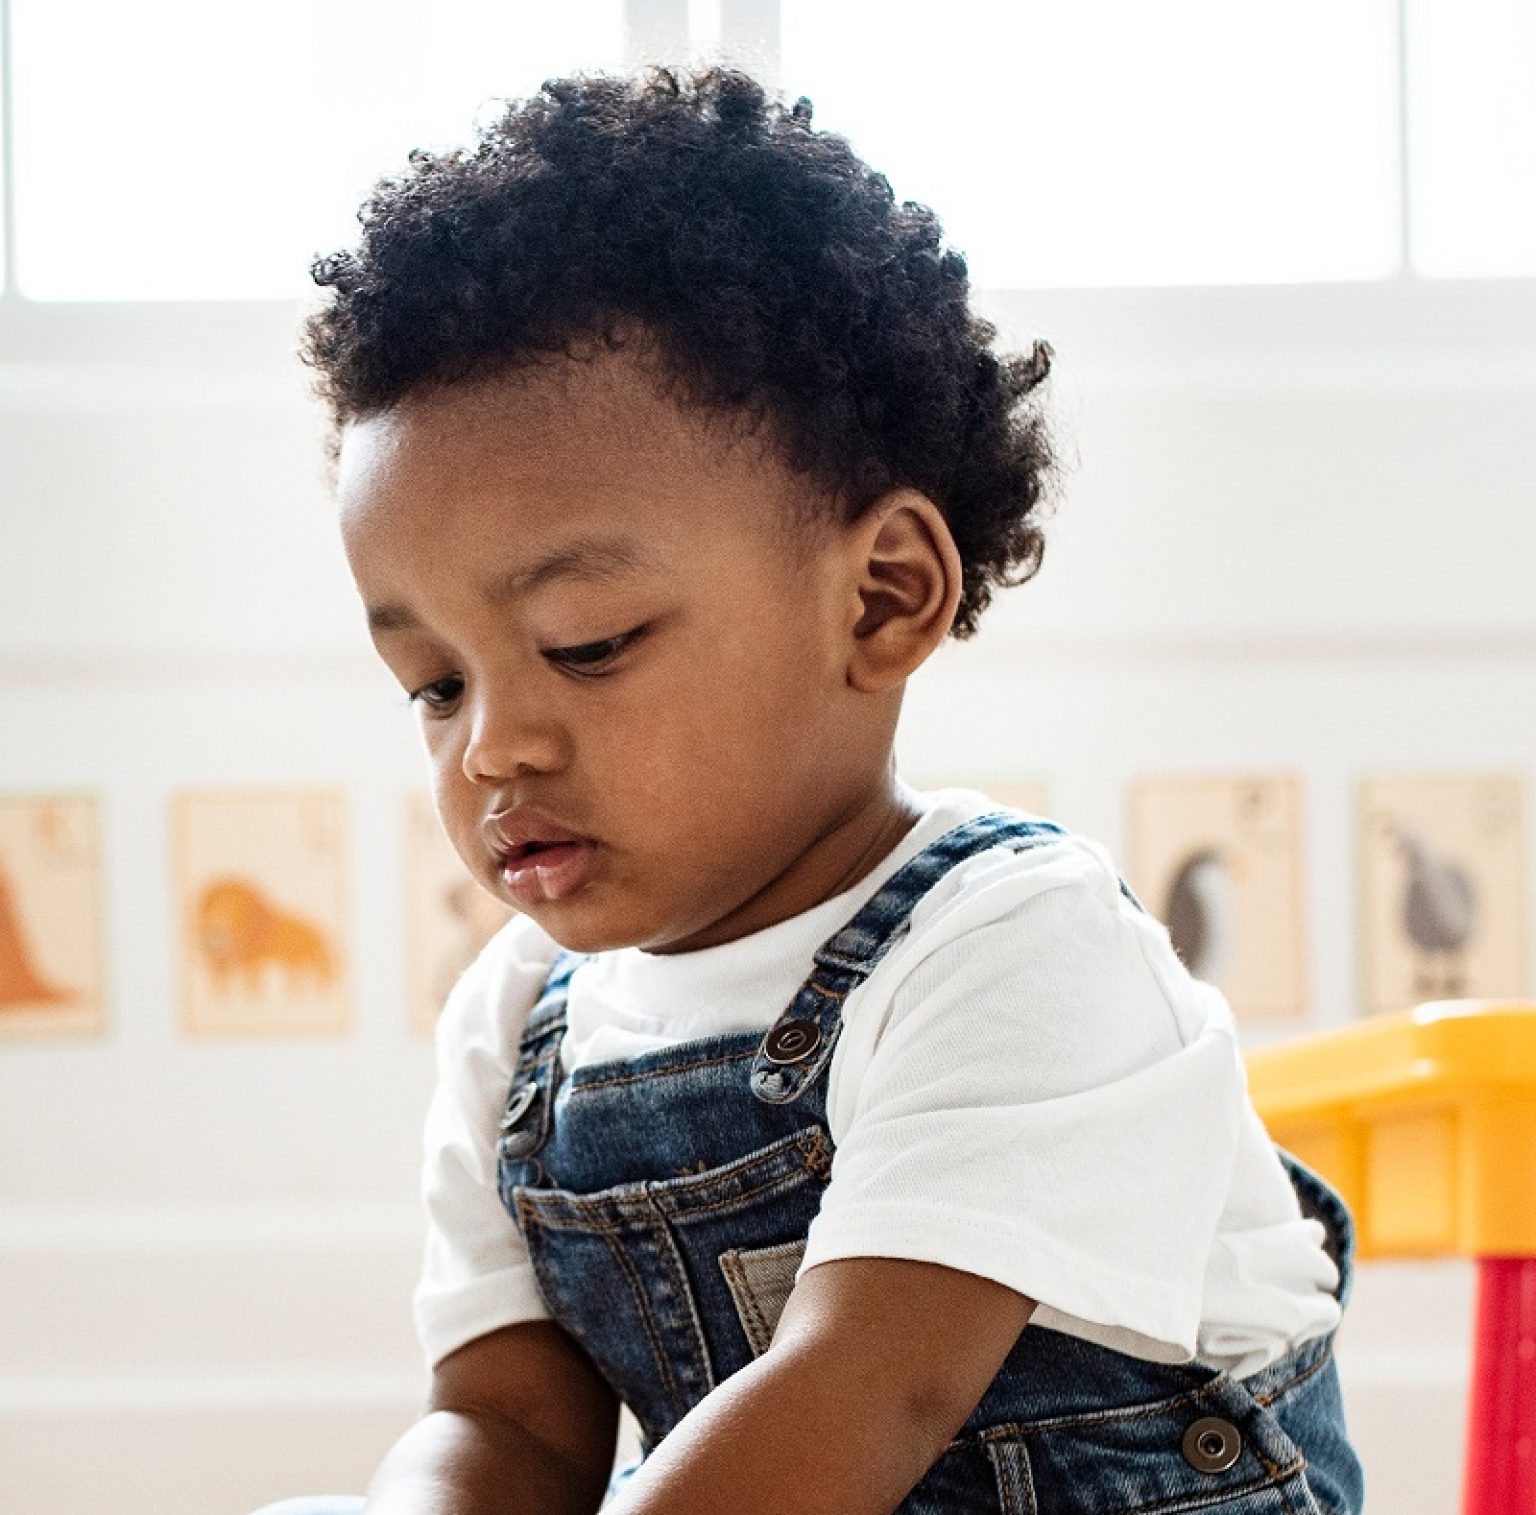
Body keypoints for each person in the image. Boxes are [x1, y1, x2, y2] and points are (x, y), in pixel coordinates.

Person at [259, 64, 1364, 1515]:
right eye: (435, 683)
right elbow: (507, 1430)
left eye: (587, 645)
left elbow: (864, 1395)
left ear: (881, 599)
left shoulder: (1017, 950)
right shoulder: (517, 1034)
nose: (493, 748)